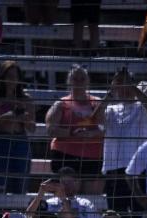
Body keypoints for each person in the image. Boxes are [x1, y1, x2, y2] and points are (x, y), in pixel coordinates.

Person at [92, 68, 147, 218]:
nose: (124, 90)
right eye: (119, 86)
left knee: (138, 216)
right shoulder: (110, 109)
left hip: (139, 170)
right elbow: (94, 119)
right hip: (114, 170)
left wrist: (133, 88)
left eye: (126, 85)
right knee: (116, 217)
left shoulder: (142, 106)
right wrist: (111, 92)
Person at [44, 65, 104, 194]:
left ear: (87, 82)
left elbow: (106, 129)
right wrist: (71, 133)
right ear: (69, 81)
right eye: (75, 79)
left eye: (82, 78)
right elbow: (50, 129)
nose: (78, 82)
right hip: (65, 156)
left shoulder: (97, 104)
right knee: (66, 195)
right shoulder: (61, 104)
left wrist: (90, 134)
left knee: (89, 197)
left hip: (92, 156)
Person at [0, 61, 35, 194]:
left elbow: (33, 128)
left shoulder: (26, 99)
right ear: (2, 77)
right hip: (0, 141)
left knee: (20, 186)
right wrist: (3, 117)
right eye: (9, 76)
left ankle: (18, 215)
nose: (12, 80)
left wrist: (24, 119)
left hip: (20, 142)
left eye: (15, 76)